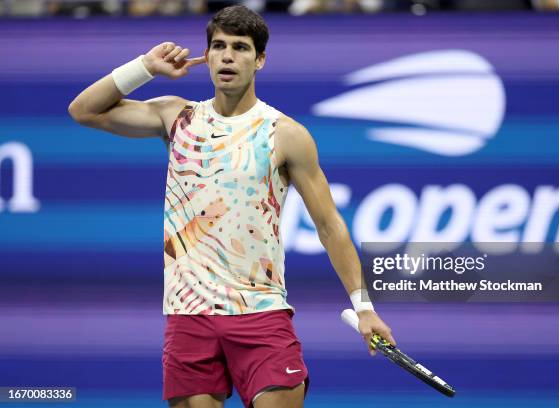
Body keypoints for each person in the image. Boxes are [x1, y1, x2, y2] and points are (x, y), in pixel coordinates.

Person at [68, 5, 395, 408]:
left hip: (260, 313)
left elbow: (329, 225)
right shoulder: (177, 117)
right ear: (205, 57)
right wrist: (146, 67)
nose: (227, 56)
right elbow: (83, 110)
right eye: (218, 46)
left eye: (240, 48)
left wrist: (364, 308)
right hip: (188, 314)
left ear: (259, 60)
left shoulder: (286, 134)